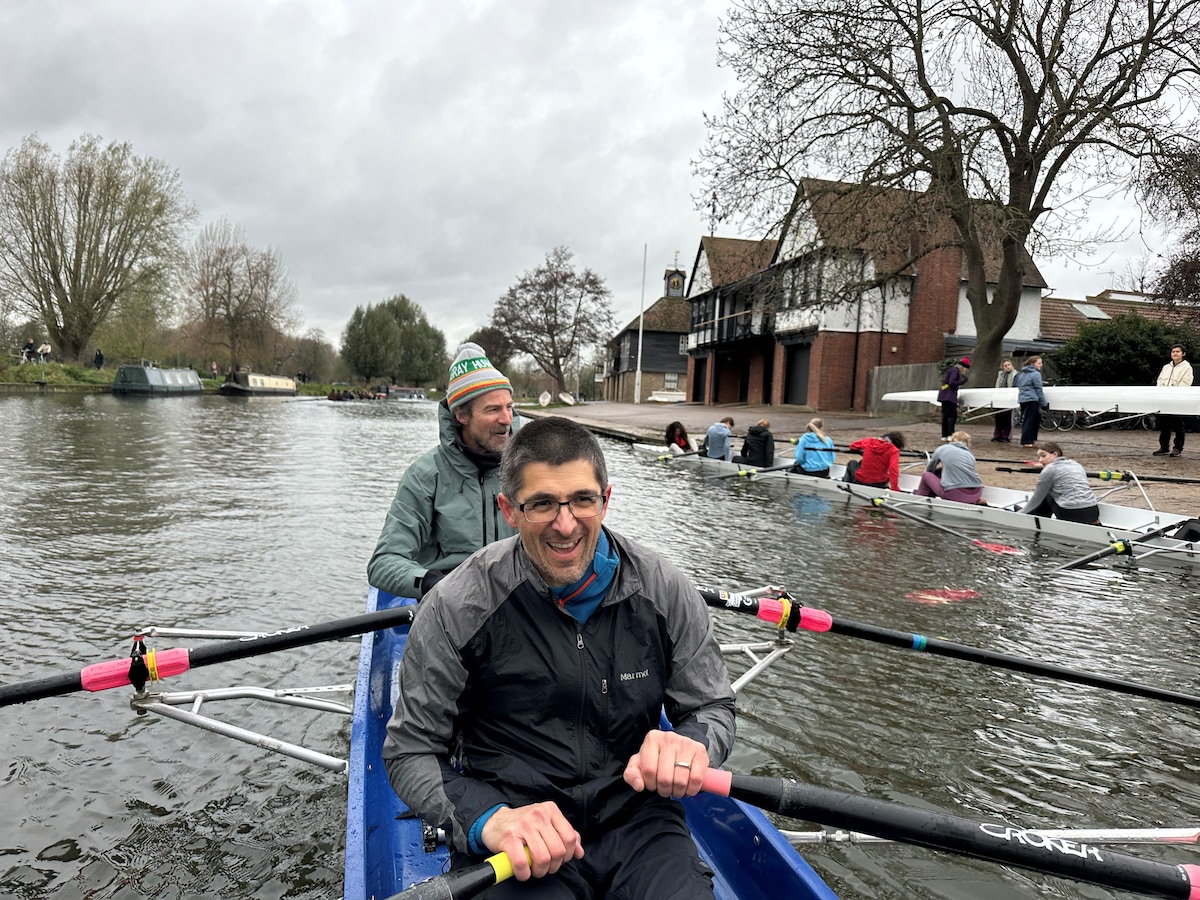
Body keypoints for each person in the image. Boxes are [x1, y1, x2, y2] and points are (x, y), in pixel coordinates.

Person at [382, 416, 735, 896]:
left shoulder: (666, 590)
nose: (565, 525)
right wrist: (490, 820)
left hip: (639, 821)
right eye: (543, 504)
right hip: (520, 831)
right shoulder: (456, 605)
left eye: (583, 501)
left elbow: (711, 706)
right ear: (509, 509)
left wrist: (694, 744)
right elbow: (410, 750)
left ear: (606, 500)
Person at [368, 342, 522, 599]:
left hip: (517, 601)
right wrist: (430, 583)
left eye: (508, 406)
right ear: (461, 414)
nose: (507, 419)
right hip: (451, 604)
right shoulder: (424, 476)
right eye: (493, 409)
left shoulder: (529, 469)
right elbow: (383, 563)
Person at [1018, 441, 1100, 524]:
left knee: (1047, 493)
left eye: (1043, 456)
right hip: (1093, 511)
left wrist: (1020, 513)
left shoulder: (1050, 469)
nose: (1040, 460)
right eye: (1039, 457)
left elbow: (1037, 498)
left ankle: (1037, 519)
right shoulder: (1075, 464)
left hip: (1072, 513)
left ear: (1055, 454)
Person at [915, 431, 983, 504]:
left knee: (927, 475)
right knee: (940, 471)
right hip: (976, 493)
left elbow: (930, 469)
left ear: (952, 440)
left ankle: (919, 499)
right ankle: (930, 497)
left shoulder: (943, 448)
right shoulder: (970, 455)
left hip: (955, 494)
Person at [1154, 344, 1193, 458]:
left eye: (1177, 352)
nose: (1175, 353)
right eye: (1173, 352)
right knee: (1164, 425)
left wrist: (1175, 394)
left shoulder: (1187, 367)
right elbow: (1160, 381)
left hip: (1177, 400)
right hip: (1164, 399)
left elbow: (1186, 383)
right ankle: (1164, 447)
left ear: (1183, 354)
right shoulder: (1166, 367)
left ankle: (1177, 448)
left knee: (1178, 425)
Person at [1013, 355, 1047, 447]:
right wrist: (1044, 403)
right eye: (1039, 363)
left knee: (1028, 420)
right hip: (1032, 400)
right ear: (1033, 364)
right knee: (1031, 421)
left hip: (1023, 400)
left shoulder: (1022, 374)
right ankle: (1028, 441)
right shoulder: (1036, 374)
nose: (1041, 365)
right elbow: (1038, 389)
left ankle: (1029, 440)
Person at [937, 357, 971, 440]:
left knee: (945, 416)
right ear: (963, 367)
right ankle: (950, 434)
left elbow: (947, 383)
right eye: (966, 368)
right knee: (952, 416)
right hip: (949, 396)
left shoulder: (950, 370)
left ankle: (944, 435)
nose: (965, 371)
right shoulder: (955, 371)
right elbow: (952, 383)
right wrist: (962, 381)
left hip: (944, 395)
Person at [992, 358, 1016, 442]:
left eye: (1009, 365)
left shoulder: (1015, 374)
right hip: (1000, 397)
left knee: (1007, 418)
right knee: (998, 417)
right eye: (1005, 366)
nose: (1008, 367)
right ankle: (997, 435)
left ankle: (1006, 436)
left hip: (1009, 398)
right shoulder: (1001, 375)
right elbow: (997, 385)